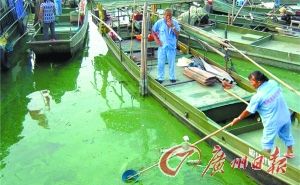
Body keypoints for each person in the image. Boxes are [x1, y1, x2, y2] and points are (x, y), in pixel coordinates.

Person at [230, 71, 294, 158]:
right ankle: (290, 152)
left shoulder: (257, 97)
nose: (250, 83)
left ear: (259, 82)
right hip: (286, 116)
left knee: (267, 142)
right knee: (286, 135)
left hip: (273, 122)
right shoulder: (273, 83)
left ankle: (265, 159)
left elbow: (248, 110)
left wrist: (238, 118)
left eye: (252, 81)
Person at [152, 8, 180, 84]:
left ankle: (172, 77)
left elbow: (177, 35)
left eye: (170, 15)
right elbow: (153, 31)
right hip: (162, 46)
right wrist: (156, 40)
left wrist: (172, 26)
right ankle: (160, 78)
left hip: (171, 47)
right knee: (161, 62)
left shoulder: (175, 23)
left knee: (172, 63)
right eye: (167, 15)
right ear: (164, 15)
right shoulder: (159, 23)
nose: (168, 17)